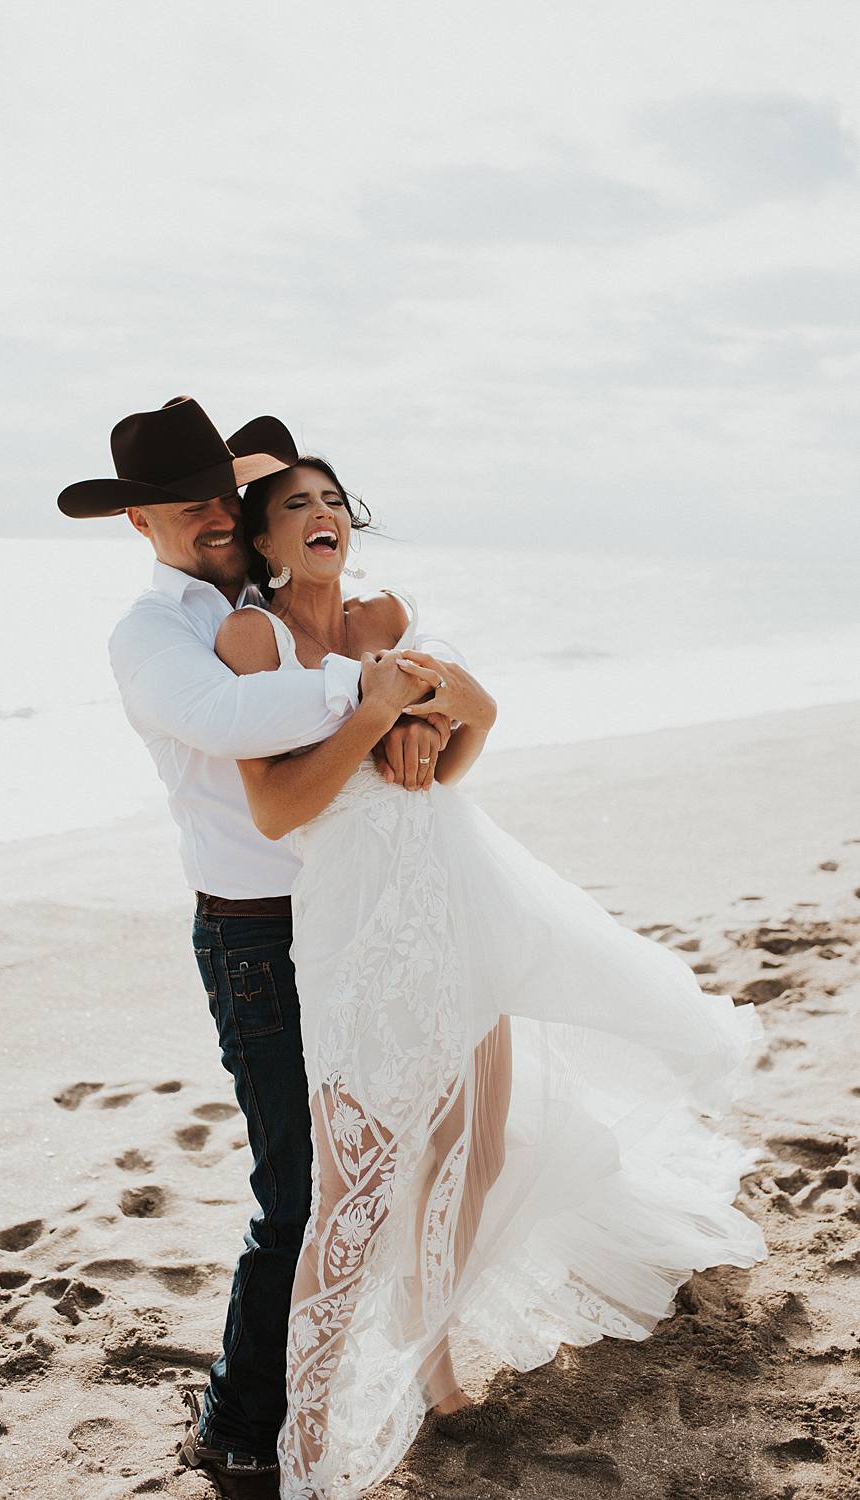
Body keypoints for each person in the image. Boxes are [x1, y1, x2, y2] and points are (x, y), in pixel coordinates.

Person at [213, 457, 770, 1500]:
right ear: (263, 537)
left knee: (469, 1148)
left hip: (453, 888)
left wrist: (440, 729)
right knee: (351, 1193)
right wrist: (378, 716)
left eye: (332, 500)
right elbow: (276, 811)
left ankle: (432, 1362)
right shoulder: (253, 638)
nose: (322, 514)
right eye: (297, 505)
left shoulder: (387, 611)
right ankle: (308, 1436)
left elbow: (453, 760)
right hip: (355, 922)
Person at [57, 396, 460, 1500]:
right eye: (184, 506)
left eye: (219, 497)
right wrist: (376, 696)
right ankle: (235, 1426)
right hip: (256, 934)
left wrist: (405, 696)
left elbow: (367, 644)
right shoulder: (152, 634)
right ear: (136, 522)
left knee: (385, 1161)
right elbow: (241, 725)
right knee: (296, 1187)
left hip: (360, 914)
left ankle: (369, 1377)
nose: (211, 516)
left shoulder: (265, 601)